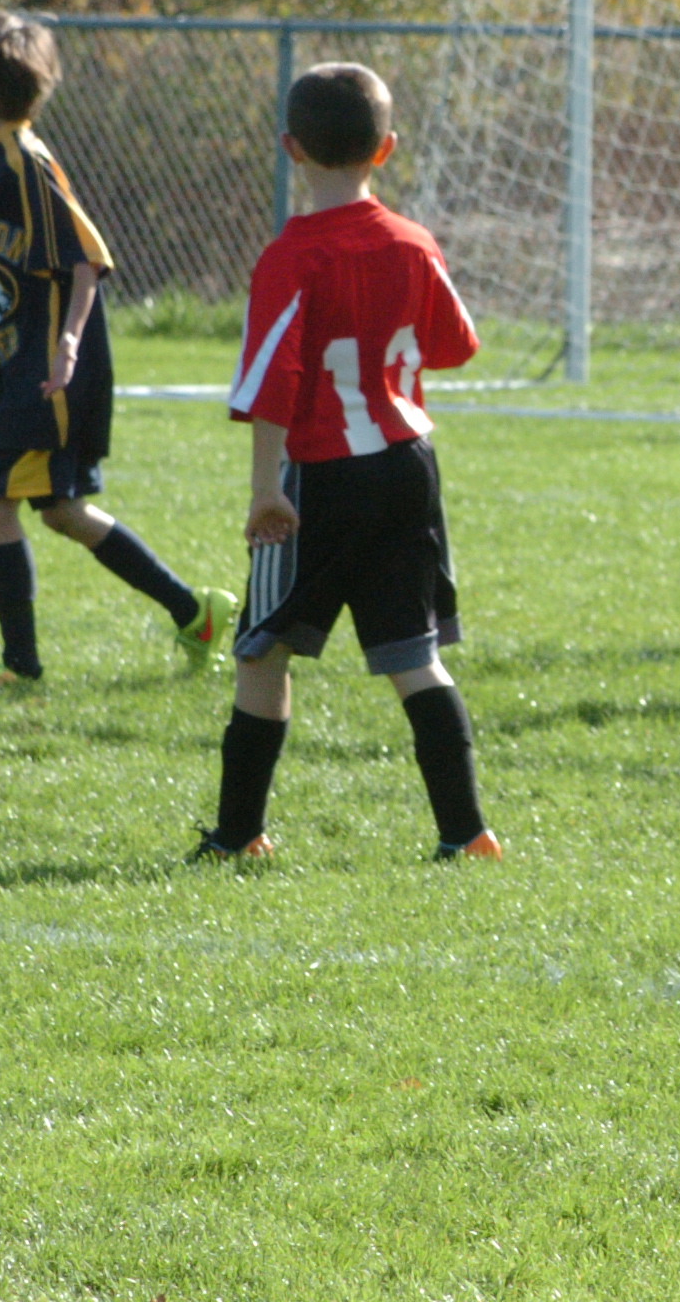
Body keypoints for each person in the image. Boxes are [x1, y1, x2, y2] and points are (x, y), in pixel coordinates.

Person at [191, 63, 499, 863]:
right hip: (407, 466)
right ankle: (467, 833)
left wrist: (265, 488)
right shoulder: (414, 243)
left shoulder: (292, 255)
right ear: (386, 149)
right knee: (413, 655)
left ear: (290, 147)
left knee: (262, 647)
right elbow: (456, 343)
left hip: (320, 475)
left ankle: (239, 836)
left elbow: (273, 381)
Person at [0, 10, 233, 685]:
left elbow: (87, 258)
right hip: (17, 364)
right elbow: (7, 264)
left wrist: (67, 344)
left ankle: (20, 671)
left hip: (46, 375)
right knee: (61, 513)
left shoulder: (25, 161)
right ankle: (194, 612)